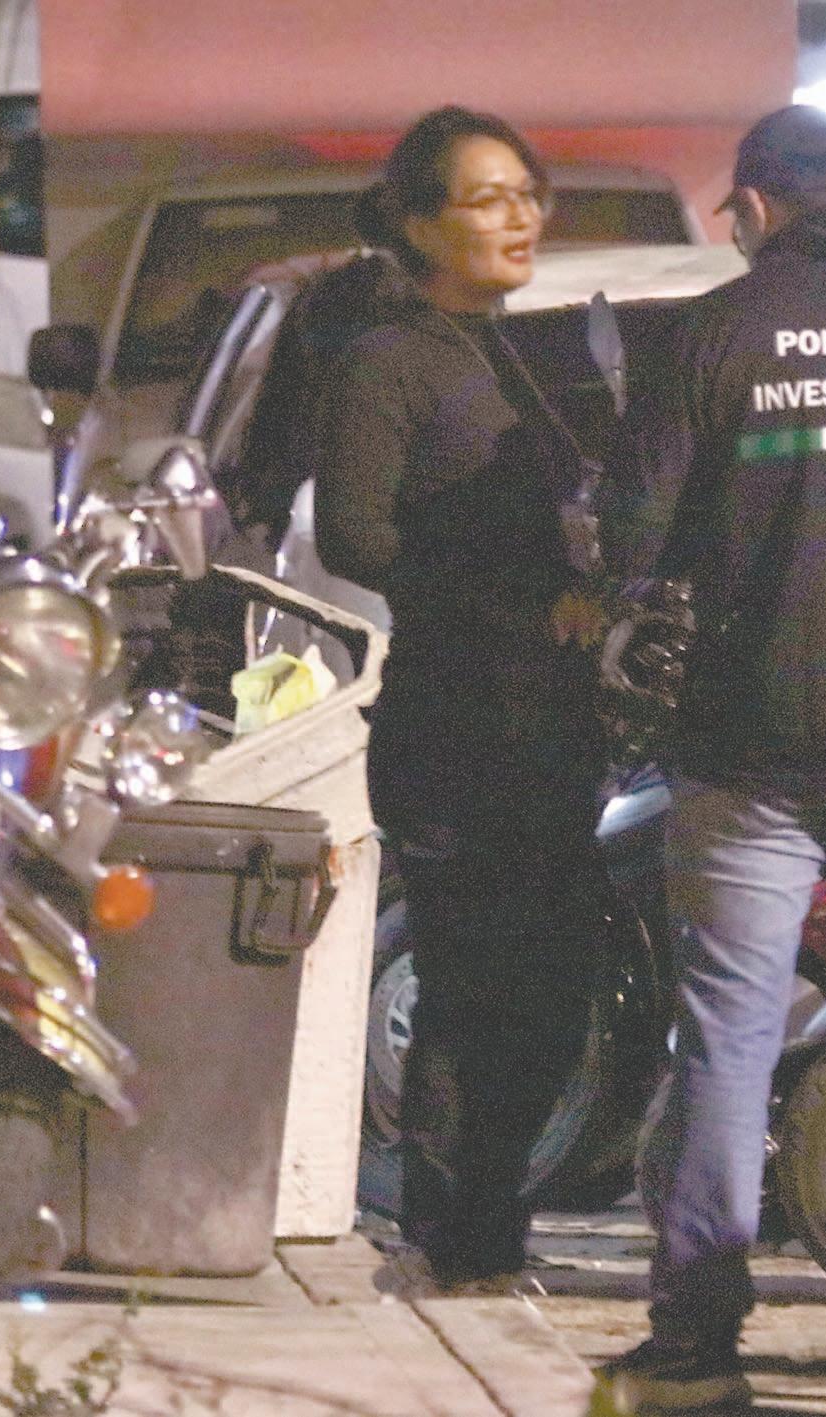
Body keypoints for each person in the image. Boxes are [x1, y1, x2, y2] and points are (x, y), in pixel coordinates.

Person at [588, 106, 826, 1416]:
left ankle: (696, 1335)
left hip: (746, 740)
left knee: (725, 1032)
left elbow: (635, 538)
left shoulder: (713, 332)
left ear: (755, 207)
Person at [307, 105, 608, 1294]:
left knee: (550, 991)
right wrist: (512, 601)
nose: (519, 217)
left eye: (528, 193)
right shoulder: (387, 360)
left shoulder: (519, 352)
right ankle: (450, 1238)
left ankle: (489, 1227)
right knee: (474, 986)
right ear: (422, 224)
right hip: (455, 717)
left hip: (551, 718)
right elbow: (353, 534)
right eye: (488, 199)